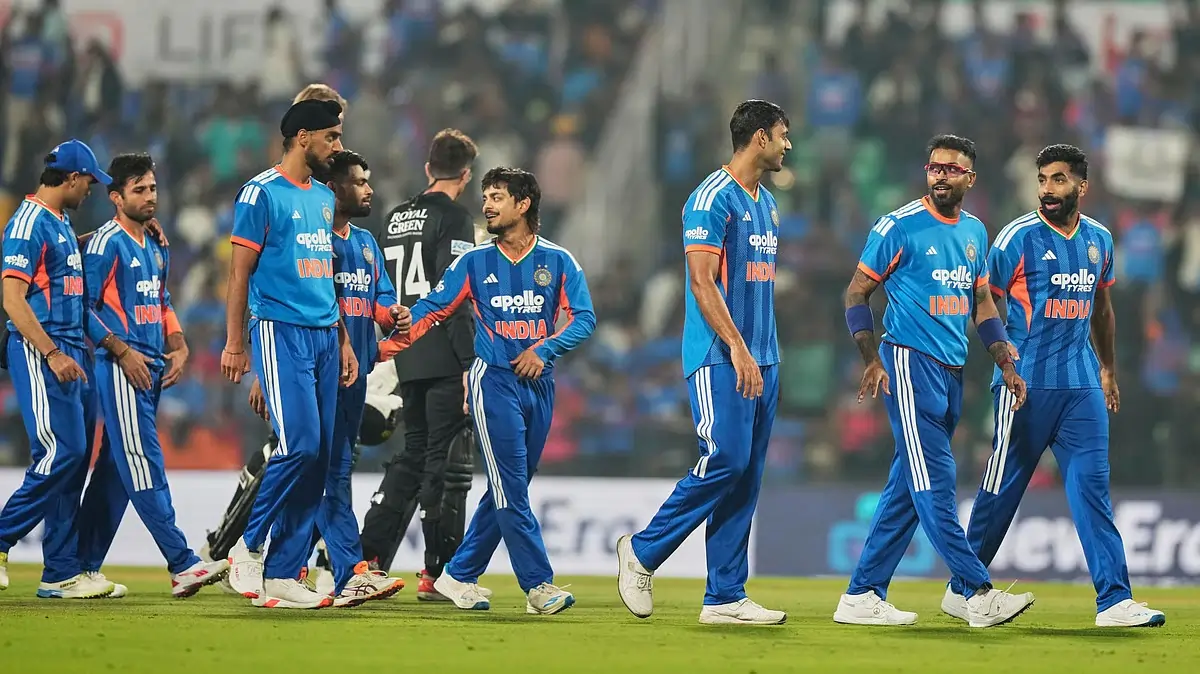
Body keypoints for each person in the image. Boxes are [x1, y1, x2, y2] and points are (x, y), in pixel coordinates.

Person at [940, 144, 1166, 628]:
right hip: (1025, 387)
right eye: (1042, 179)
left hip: (1082, 386)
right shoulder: (1016, 238)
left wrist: (1108, 370)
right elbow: (982, 302)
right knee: (1000, 492)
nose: (1047, 189)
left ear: (1082, 185)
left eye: (1058, 179)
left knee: (1093, 490)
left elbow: (1102, 309)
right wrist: (999, 363)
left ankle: (1115, 600)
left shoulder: (1100, 240)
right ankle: (963, 587)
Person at [832, 134, 1034, 629]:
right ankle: (976, 591)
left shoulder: (974, 231)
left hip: (952, 371)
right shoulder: (898, 226)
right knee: (935, 481)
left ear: (970, 178)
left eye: (952, 168)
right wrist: (871, 358)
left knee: (908, 488)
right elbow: (856, 293)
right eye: (935, 167)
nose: (941, 175)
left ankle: (861, 594)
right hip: (908, 362)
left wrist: (1005, 360)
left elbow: (982, 303)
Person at [376, 167, 595, 614]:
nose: (487, 206)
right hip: (492, 381)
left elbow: (584, 318)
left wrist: (545, 348)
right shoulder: (473, 263)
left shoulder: (558, 261)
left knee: (508, 486)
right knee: (510, 486)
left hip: (540, 384)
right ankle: (538, 584)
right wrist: (383, 348)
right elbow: (433, 309)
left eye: (497, 197)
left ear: (523, 204)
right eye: (486, 197)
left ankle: (458, 574)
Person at [615, 100, 791, 626]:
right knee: (726, 459)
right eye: (782, 135)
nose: (788, 145)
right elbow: (701, 281)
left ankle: (725, 596)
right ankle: (642, 551)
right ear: (759, 138)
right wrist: (736, 346)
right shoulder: (711, 198)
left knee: (747, 476)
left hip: (765, 358)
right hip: (721, 356)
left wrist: (759, 352)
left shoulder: (767, 204)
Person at [245, 149, 407, 607]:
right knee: (320, 469)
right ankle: (339, 569)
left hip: (356, 374)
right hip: (316, 368)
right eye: (360, 182)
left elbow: (379, 296)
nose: (369, 189)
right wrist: (263, 370)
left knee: (330, 473)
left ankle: (290, 568)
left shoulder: (366, 243)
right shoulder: (313, 243)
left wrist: (391, 313)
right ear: (333, 189)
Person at [221, 98, 362, 610]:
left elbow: (324, 276)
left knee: (318, 458)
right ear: (304, 137)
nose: (337, 146)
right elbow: (239, 273)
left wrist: (343, 341)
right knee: (299, 445)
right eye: (332, 137)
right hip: (280, 331)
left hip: (325, 334)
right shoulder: (260, 193)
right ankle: (247, 548)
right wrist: (235, 342)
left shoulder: (323, 197)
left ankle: (283, 572)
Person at [72, 153, 230, 596]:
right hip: (123, 368)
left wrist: (178, 344)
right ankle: (182, 562)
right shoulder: (106, 244)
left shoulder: (157, 243)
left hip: (152, 366)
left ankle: (79, 566)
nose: (149, 197)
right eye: (138, 190)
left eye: (153, 188)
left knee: (115, 472)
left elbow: (161, 301)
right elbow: (82, 309)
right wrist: (121, 352)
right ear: (115, 197)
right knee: (143, 463)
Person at [358, 128, 481, 601]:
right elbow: (455, 294)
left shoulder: (394, 218)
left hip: (404, 349)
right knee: (444, 462)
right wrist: (469, 363)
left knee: (413, 454)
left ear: (429, 168)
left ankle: (369, 555)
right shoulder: (455, 218)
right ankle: (439, 572)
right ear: (465, 176)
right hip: (443, 349)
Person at [0, 139, 116, 598]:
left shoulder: (60, 222)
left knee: (74, 462)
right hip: (41, 348)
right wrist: (51, 353)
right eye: (89, 182)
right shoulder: (28, 223)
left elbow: (62, 265)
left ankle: (61, 572)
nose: (91, 189)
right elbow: (12, 300)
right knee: (61, 453)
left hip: (71, 349)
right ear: (71, 178)